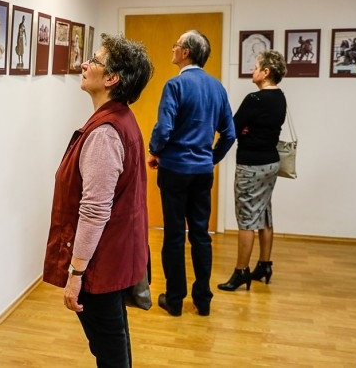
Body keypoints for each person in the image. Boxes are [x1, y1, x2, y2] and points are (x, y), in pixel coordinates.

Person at [43, 33, 153, 367]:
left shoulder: (105, 133)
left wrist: (76, 273)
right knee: (115, 343)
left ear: (111, 78)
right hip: (114, 255)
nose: (84, 64)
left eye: (94, 60)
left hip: (100, 265)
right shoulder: (121, 118)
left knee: (110, 352)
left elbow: (94, 211)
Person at [147, 30, 235, 317]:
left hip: (174, 170)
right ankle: (203, 299)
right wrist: (211, 158)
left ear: (186, 52)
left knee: (174, 236)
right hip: (202, 173)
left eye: (176, 45)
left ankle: (174, 300)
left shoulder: (175, 85)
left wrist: (155, 150)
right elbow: (229, 134)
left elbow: (164, 129)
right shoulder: (217, 87)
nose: (172, 49)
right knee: (200, 235)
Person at [218, 50, 287, 292]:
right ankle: (264, 265)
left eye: (256, 67)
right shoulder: (280, 97)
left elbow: (233, 128)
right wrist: (247, 129)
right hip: (271, 163)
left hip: (251, 165)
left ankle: (241, 272)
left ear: (266, 72)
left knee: (247, 219)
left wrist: (245, 131)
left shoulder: (254, 99)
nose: (253, 71)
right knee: (264, 212)